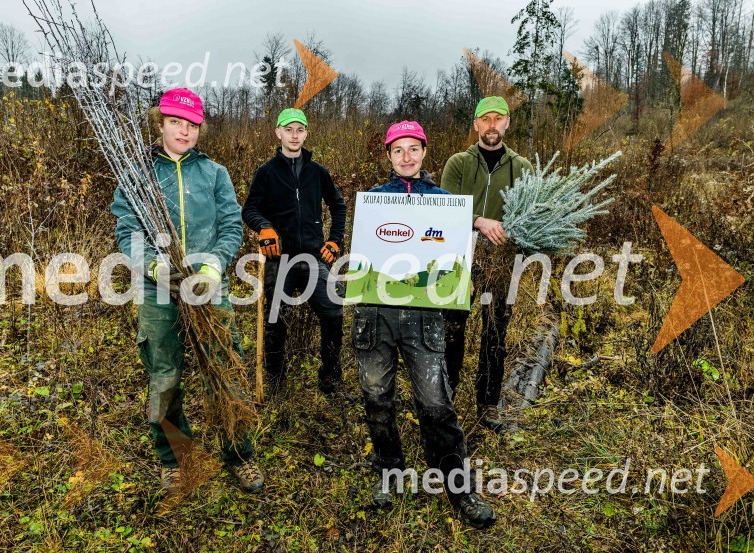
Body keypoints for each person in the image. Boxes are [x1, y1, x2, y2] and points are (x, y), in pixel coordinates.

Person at [111, 88, 264, 494]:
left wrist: (215, 263)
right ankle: (174, 458)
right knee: (165, 377)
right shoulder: (139, 174)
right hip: (158, 291)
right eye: (176, 122)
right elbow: (127, 230)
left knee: (226, 370)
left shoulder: (214, 173)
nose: (184, 131)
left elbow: (231, 225)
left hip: (209, 288)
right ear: (159, 124)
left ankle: (240, 453)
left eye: (192, 124)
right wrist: (153, 267)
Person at [352, 120, 496, 528]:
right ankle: (388, 471)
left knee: (435, 403)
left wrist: (478, 222)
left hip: (424, 317)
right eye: (398, 150)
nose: (407, 157)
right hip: (376, 313)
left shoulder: (443, 201)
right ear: (389, 155)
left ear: (425, 152)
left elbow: (456, 241)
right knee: (377, 398)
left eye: (413, 149)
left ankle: (458, 486)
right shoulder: (375, 200)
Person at [440, 96, 533, 430]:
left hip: (501, 260)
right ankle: (446, 392)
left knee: (495, 328)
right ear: (476, 124)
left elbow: (530, 213)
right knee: (453, 324)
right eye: (486, 119)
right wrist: (479, 221)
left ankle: (488, 402)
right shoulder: (458, 164)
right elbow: (446, 209)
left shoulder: (521, 167)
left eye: (499, 118)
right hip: (460, 256)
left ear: (508, 123)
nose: (492, 125)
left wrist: (516, 229)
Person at [242, 108, 348, 398]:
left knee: (333, 311)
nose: (294, 135)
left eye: (299, 130)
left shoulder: (318, 172)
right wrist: (264, 227)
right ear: (278, 133)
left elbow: (338, 206)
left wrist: (335, 240)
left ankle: (330, 379)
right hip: (281, 258)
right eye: (288, 130)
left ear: (306, 133)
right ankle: (276, 382)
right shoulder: (266, 172)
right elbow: (250, 209)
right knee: (276, 318)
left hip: (314, 256)